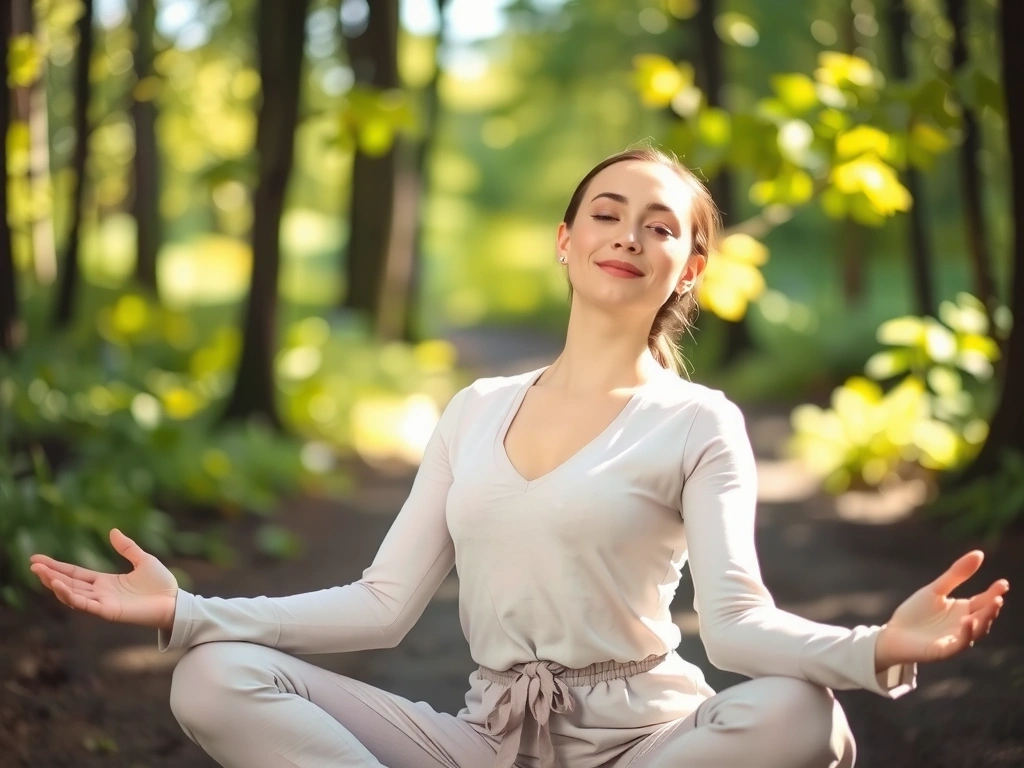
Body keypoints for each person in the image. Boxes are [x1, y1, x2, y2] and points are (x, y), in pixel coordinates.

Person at [30, 147, 1009, 768]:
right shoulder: (474, 408)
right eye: (608, 212)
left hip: (649, 742)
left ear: (691, 267)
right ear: (567, 238)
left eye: (660, 225)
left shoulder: (697, 422)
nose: (628, 234)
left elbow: (736, 626)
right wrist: (188, 611)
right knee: (209, 675)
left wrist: (874, 645)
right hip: (485, 740)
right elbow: (380, 605)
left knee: (801, 718)